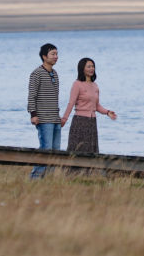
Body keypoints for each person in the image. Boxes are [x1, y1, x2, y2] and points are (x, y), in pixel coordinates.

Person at [61, 57, 117, 153]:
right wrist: (64, 119)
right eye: (89, 66)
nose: (92, 69)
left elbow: (97, 105)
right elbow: (71, 103)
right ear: (82, 69)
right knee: (77, 150)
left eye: (93, 66)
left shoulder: (95, 86)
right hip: (80, 121)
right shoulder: (77, 84)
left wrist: (107, 112)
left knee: (91, 151)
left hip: (92, 122)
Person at [27, 42, 61, 179]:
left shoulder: (55, 73)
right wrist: (33, 114)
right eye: (53, 54)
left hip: (55, 118)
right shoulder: (36, 73)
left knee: (56, 150)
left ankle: (49, 178)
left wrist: (59, 117)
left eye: (57, 54)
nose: (56, 56)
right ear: (44, 56)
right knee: (46, 149)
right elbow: (32, 95)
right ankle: (35, 177)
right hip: (43, 118)